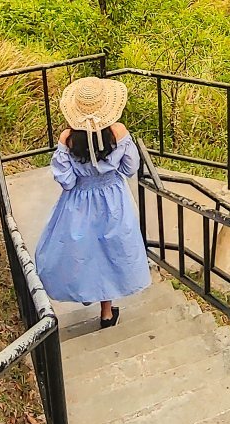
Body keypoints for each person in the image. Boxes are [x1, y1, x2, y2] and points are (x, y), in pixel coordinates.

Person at [33, 75, 150, 328]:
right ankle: (107, 312)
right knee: (109, 251)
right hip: (113, 198)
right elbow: (131, 167)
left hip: (79, 201)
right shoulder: (117, 132)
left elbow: (66, 181)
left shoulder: (69, 138)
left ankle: (90, 296)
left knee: (86, 252)